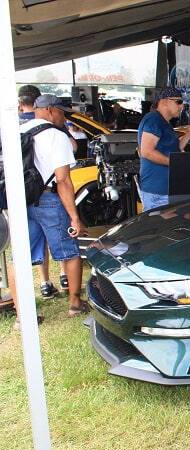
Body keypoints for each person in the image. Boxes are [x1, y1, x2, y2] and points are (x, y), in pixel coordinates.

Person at [8, 94, 88, 326]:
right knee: (69, 250)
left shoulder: (18, 131)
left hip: (20, 200)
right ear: (51, 111)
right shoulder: (56, 136)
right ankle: (75, 303)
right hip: (48, 199)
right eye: (63, 113)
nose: (64, 117)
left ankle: (23, 316)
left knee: (20, 257)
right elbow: (63, 180)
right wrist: (75, 217)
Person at [17, 84, 64, 299]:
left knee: (27, 249)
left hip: (22, 195)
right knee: (63, 239)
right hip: (47, 193)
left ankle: (44, 283)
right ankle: (66, 279)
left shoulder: (16, 127)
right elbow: (64, 174)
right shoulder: (53, 130)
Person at [137, 87, 190, 210]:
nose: (181, 106)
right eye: (179, 102)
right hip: (158, 191)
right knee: (159, 228)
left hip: (167, 190)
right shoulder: (154, 120)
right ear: (164, 101)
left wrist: (188, 135)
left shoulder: (164, 123)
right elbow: (147, 152)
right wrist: (174, 163)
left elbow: (175, 149)